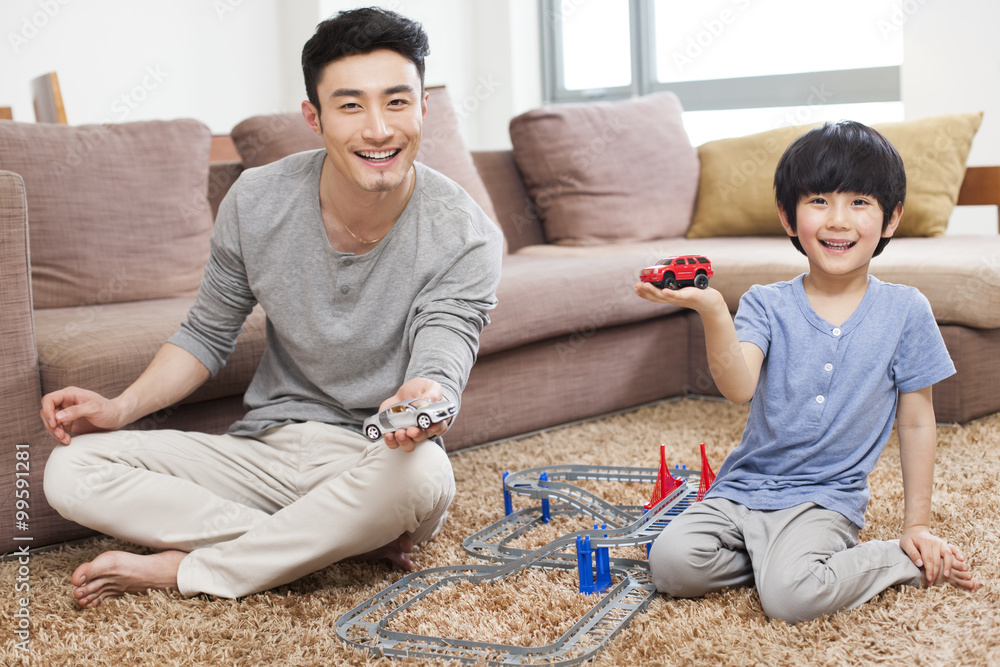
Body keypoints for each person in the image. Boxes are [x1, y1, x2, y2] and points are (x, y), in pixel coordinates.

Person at [40, 7, 503, 609]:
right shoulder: (257, 200)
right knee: (69, 471)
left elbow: (446, 345)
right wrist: (119, 406)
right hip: (264, 449)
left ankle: (188, 570)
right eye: (350, 105)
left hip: (374, 457)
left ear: (423, 109)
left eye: (396, 102)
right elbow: (207, 331)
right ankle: (327, 544)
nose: (379, 129)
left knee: (426, 477)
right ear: (313, 117)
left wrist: (426, 397)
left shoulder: (465, 233)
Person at [635, 121, 979, 623]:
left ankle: (894, 561)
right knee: (669, 565)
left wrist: (916, 525)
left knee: (789, 600)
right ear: (788, 217)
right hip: (743, 489)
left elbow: (918, 421)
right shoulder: (765, 303)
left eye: (859, 202)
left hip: (824, 499)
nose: (837, 220)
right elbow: (737, 388)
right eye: (819, 200)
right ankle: (776, 561)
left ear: (891, 219)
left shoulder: (906, 310)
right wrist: (712, 309)